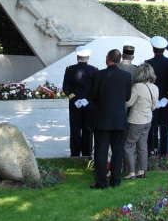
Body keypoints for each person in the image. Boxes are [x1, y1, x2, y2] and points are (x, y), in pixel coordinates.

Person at [87, 49, 133, 189]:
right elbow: (127, 96)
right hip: (119, 118)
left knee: (101, 152)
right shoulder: (126, 75)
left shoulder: (99, 74)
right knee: (117, 152)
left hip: (102, 119)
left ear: (107, 58)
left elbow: (92, 95)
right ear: (119, 60)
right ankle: (115, 180)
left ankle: (101, 182)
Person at [124, 63, 158, 179]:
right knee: (142, 146)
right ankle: (141, 171)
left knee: (129, 146)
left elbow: (128, 103)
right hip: (148, 119)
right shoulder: (155, 87)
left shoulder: (137, 87)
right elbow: (154, 106)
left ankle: (131, 172)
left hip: (136, 120)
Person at [62, 46, 97, 157]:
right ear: (88, 57)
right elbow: (95, 88)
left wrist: (75, 99)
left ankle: (75, 154)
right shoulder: (94, 70)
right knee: (87, 129)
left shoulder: (70, 69)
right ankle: (87, 153)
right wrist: (87, 100)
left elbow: (66, 87)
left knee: (75, 129)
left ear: (77, 57)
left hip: (74, 104)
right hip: (89, 105)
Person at [145, 36, 168, 156]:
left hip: (151, 98)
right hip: (165, 99)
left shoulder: (148, 63)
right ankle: (163, 153)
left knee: (152, 128)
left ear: (153, 49)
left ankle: (152, 151)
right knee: (164, 128)